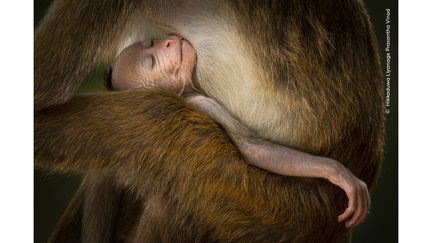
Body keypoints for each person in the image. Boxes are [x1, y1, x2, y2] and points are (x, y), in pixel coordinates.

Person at [106, 35, 370, 225]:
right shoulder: (197, 106)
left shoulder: (197, 86)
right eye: (153, 62)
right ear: (160, 99)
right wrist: (332, 170)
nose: (165, 43)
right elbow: (253, 149)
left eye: (150, 43)